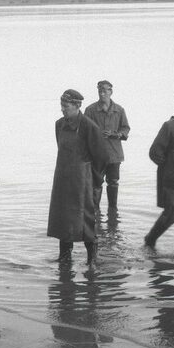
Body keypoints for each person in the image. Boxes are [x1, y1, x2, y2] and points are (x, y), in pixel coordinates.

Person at [48, 89, 108, 266]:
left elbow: (102, 157)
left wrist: (95, 181)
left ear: (77, 106)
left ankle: (92, 259)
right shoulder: (59, 124)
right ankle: (65, 257)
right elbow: (61, 147)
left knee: (86, 219)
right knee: (62, 218)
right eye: (61, 105)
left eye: (66, 106)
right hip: (62, 179)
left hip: (82, 181)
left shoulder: (89, 126)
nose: (62, 109)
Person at [144, 91, 174, 254]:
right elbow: (154, 152)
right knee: (172, 214)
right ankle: (150, 239)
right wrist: (171, 166)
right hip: (173, 180)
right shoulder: (169, 126)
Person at [84, 80, 130, 214]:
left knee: (113, 182)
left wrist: (116, 134)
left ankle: (113, 211)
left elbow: (126, 128)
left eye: (105, 90)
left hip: (114, 154)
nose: (102, 93)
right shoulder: (90, 110)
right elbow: (85, 131)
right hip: (96, 154)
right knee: (96, 183)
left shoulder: (119, 110)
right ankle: (95, 212)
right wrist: (97, 134)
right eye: (100, 91)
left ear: (111, 91)